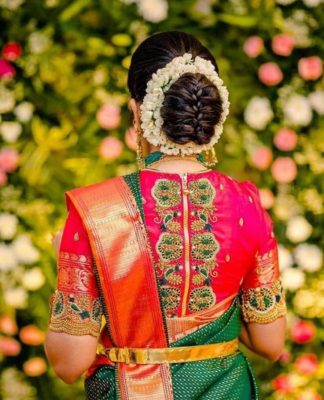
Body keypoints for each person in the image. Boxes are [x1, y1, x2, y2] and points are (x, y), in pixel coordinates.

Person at [44, 31, 287, 400]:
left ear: (137, 111)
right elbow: (270, 342)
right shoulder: (247, 205)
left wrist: (71, 263)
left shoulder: (95, 212)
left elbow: (68, 363)